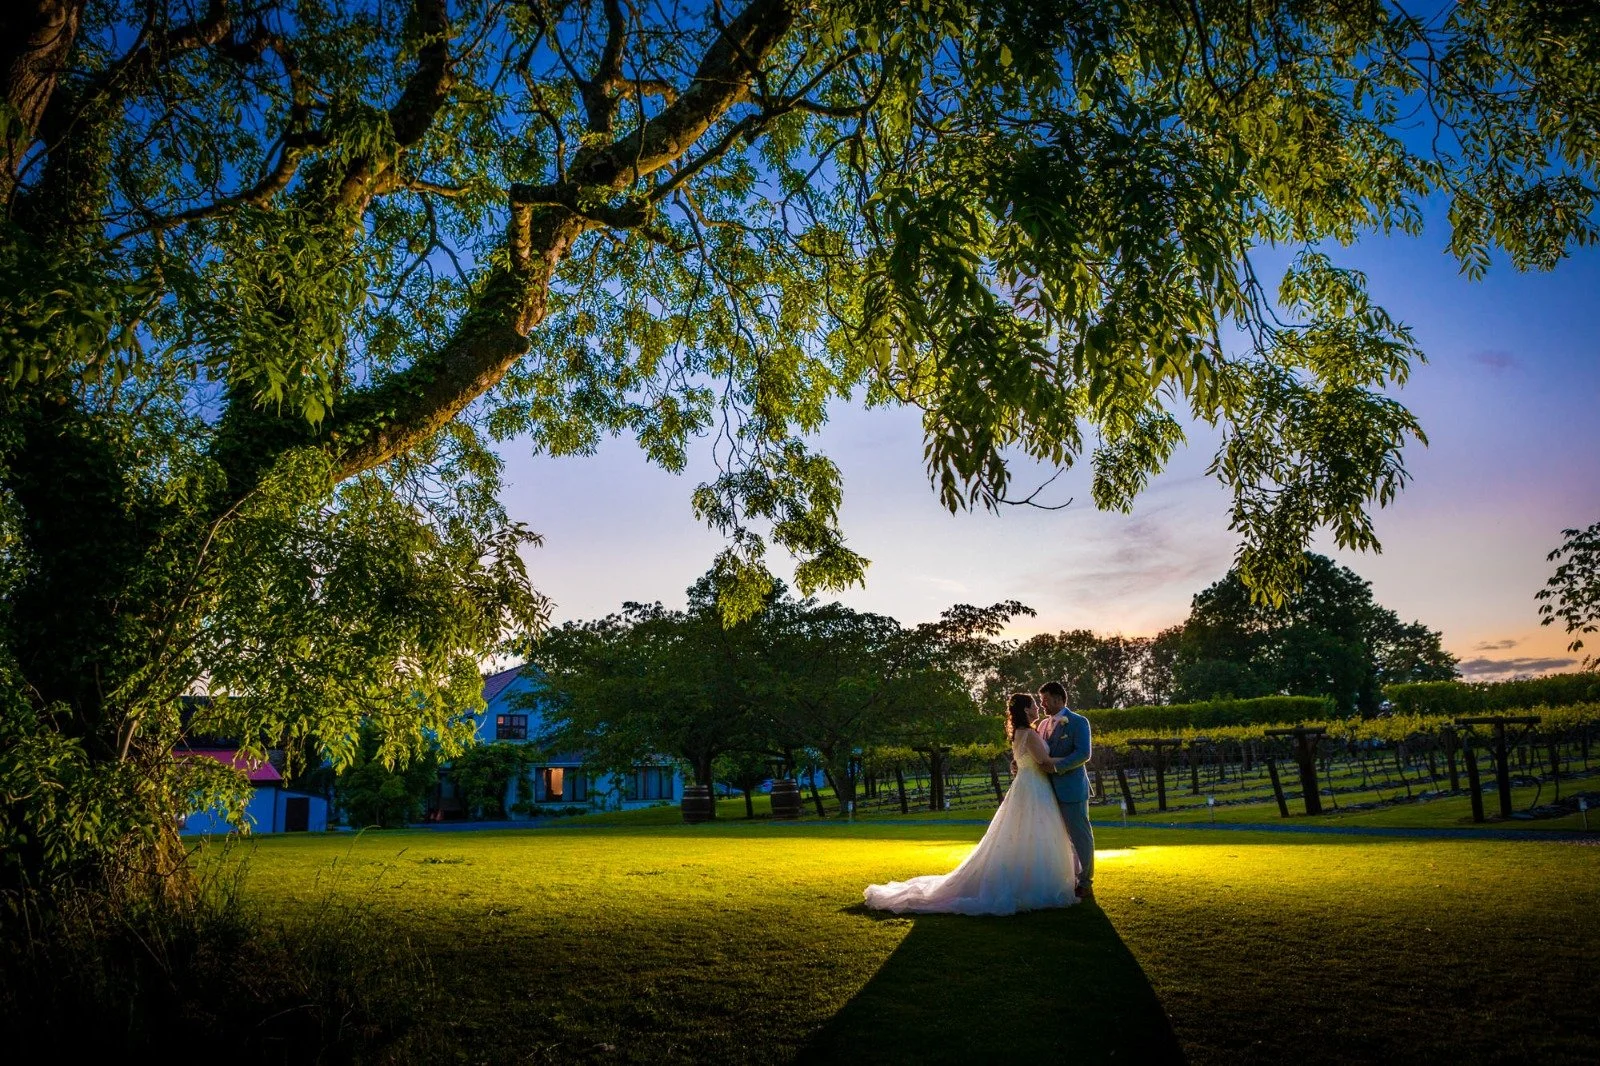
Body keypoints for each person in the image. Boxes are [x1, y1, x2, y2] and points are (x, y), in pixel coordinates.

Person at [862, 693, 1079, 915]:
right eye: (1033, 705)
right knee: (1035, 832)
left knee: (1024, 833)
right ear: (1025, 710)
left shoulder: (1019, 733)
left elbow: (1025, 760)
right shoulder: (1030, 734)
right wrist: (1077, 759)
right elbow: (1044, 761)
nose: (1037, 708)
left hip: (1026, 785)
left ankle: (1026, 879)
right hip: (1034, 787)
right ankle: (1033, 885)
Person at [1036, 680, 1095, 901]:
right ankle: (1064, 878)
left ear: (1059, 698)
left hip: (1071, 789)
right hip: (1046, 791)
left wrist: (1055, 766)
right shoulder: (1042, 726)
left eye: (1045, 701)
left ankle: (1085, 881)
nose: (1042, 706)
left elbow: (1083, 754)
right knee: (1056, 838)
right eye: (1041, 702)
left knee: (1080, 836)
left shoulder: (1079, 722)